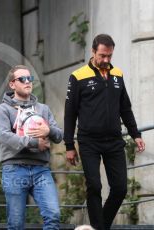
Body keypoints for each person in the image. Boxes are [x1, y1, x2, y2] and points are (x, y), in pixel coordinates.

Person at [64, 34, 145, 230]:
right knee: (95, 187)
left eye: (109, 56)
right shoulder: (78, 76)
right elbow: (70, 113)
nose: (106, 60)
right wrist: (69, 145)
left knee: (120, 188)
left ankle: (99, 227)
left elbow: (125, 107)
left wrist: (136, 134)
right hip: (89, 141)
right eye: (102, 56)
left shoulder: (117, 74)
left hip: (114, 140)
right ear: (93, 52)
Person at [0, 65, 62, 230]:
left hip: (41, 169)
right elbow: (5, 137)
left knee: (53, 215)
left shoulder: (43, 109)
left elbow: (59, 135)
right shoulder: (3, 110)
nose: (27, 82)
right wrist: (34, 143)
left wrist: (48, 130)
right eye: (22, 79)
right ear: (12, 84)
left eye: (29, 78)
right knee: (16, 223)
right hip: (14, 168)